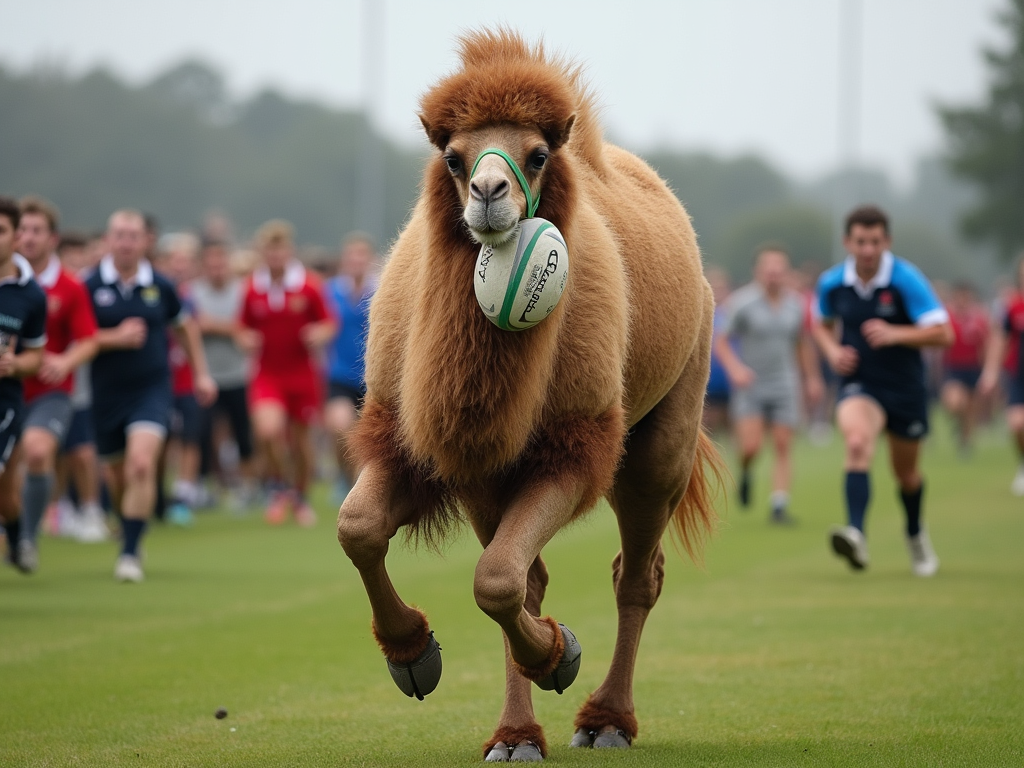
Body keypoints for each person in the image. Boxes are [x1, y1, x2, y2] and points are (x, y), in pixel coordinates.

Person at [811, 205, 953, 577]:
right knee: (857, 442)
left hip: (906, 389)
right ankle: (856, 534)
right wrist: (832, 351)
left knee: (906, 474)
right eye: (860, 241)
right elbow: (820, 324)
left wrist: (897, 334)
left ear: (886, 241)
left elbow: (944, 333)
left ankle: (915, 534)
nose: (868, 250)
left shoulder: (905, 279)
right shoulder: (832, 283)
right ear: (848, 242)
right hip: (861, 386)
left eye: (875, 242)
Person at [86, 210, 216, 582]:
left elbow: (184, 327)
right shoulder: (89, 285)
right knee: (117, 475)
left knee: (141, 463)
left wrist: (201, 374)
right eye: (119, 235)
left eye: (133, 235)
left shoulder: (160, 285)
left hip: (152, 390)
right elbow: (76, 338)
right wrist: (114, 338)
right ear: (109, 240)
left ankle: (129, 553)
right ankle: (129, 527)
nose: (125, 242)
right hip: (106, 394)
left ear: (145, 241)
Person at [13, 197, 101, 571]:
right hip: (9, 390)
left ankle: (28, 539)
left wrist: (65, 360)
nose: (28, 238)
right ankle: (15, 530)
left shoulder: (69, 286)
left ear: (53, 238)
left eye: (37, 231)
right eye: (22, 230)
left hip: (49, 392)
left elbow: (90, 339)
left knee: (37, 452)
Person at [714, 246, 823, 524]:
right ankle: (747, 471)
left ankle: (779, 506)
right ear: (758, 272)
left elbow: (802, 343)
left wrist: (811, 378)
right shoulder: (742, 303)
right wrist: (736, 369)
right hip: (751, 383)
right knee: (751, 447)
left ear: (786, 273)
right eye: (768, 270)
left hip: (785, 383)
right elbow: (721, 341)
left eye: (779, 270)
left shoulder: (796, 304)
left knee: (783, 444)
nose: (774, 275)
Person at [238, 220, 335, 526]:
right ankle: (280, 488)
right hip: (268, 373)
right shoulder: (253, 287)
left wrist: (319, 333)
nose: (276, 257)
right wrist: (244, 339)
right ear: (263, 253)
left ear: (288, 251)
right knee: (268, 431)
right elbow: (241, 326)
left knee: (302, 442)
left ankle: (301, 495)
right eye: (270, 251)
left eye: (280, 250)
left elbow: (329, 322)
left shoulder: (308, 285)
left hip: (303, 374)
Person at [0, 196, 47, 573]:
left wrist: (15, 362)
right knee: (5, 496)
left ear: (16, 237)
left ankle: (16, 538)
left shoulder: (30, 294)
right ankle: (16, 538)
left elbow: (37, 357)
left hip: (5, 401)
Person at [191, 238, 257, 507]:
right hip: (206, 376)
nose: (217, 269)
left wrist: (216, 326)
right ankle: (210, 487)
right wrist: (232, 329)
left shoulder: (243, 292)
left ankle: (248, 487)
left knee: (243, 434)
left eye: (221, 263)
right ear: (204, 266)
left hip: (239, 374)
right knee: (203, 434)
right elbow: (193, 327)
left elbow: (250, 332)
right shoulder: (193, 293)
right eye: (211, 264)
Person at [323, 233, 377, 501]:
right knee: (340, 427)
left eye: (361, 255)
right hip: (339, 373)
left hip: (372, 378)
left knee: (366, 438)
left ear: (368, 259)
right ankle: (343, 479)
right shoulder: (329, 291)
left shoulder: (381, 288)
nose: (356, 261)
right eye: (351, 256)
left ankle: (359, 490)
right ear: (344, 260)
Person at [979, 256, 1024, 494]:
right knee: (1017, 424)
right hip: (1018, 375)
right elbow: (999, 340)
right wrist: (991, 372)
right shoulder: (1013, 307)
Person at [939, 281, 989, 457]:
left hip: (974, 368)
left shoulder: (979, 318)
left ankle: (965, 442)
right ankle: (958, 424)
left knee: (970, 410)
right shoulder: (946, 316)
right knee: (953, 403)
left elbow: (986, 344)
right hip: (953, 367)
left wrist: (987, 371)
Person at [702, 267, 732, 435]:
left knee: (732, 423)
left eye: (722, 288)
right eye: (716, 288)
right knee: (708, 423)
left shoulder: (732, 314)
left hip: (729, 380)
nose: (719, 292)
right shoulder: (705, 315)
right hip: (710, 379)